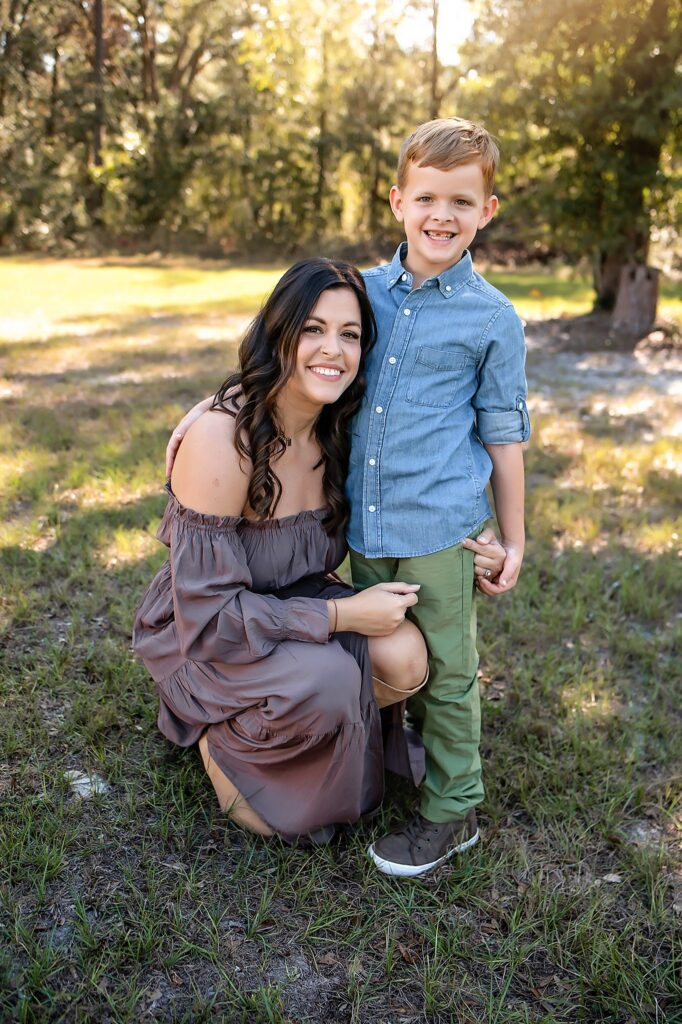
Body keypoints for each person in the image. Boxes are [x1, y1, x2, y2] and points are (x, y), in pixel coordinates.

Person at [165, 118, 524, 874]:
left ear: (487, 211)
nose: (442, 215)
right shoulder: (367, 292)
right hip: (350, 536)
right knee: (357, 657)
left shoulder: (492, 319)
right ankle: (275, 739)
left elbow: (502, 431)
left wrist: (509, 537)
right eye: (426, 196)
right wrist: (206, 412)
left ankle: (453, 807)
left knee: (439, 665)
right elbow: (292, 350)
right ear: (397, 200)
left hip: (439, 527)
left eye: (462, 201)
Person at [133, 258, 449, 844]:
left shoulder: (339, 429)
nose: (333, 349)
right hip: (207, 632)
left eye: (349, 334)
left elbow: (427, 481)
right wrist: (341, 615)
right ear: (280, 331)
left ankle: (303, 734)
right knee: (327, 680)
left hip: (290, 603)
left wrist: (475, 540)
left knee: (404, 654)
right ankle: (217, 732)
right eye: (313, 328)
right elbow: (207, 621)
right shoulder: (223, 442)